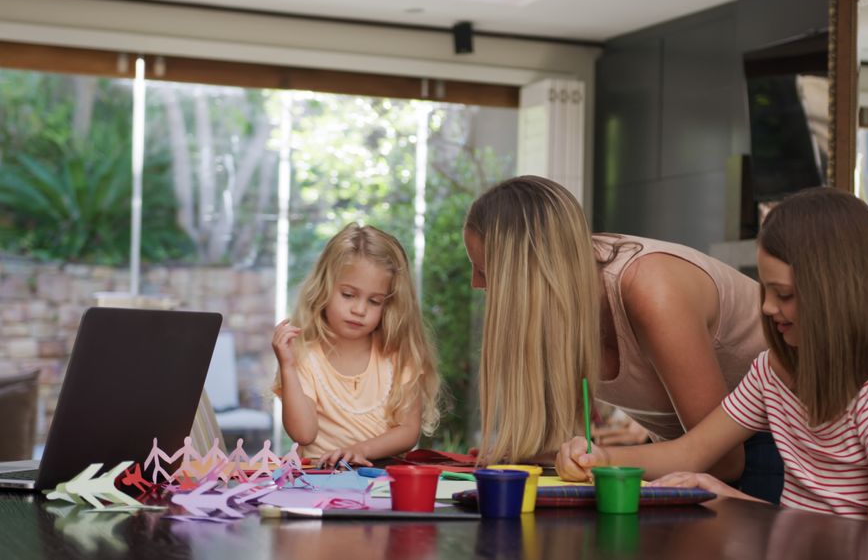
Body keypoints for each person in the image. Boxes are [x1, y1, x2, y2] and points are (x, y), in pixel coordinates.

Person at [556, 187, 868, 532]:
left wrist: (744, 504)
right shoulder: (774, 372)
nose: (766, 307)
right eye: (766, 290)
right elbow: (692, 452)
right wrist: (601, 459)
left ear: (838, 293)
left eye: (783, 294)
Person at [464, 175, 779, 500]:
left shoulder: (651, 289)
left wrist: (601, 459)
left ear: (528, 271)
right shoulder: (554, 314)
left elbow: (724, 462)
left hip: (779, 445)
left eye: (486, 273)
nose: (476, 284)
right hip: (688, 460)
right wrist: (542, 455)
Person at [272, 223, 441, 466]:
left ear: (390, 306)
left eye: (374, 301)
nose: (359, 310)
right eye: (348, 295)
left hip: (380, 483)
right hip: (318, 483)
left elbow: (408, 431)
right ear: (324, 288)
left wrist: (360, 450)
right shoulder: (303, 356)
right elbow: (303, 434)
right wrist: (287, 367)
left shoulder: (399, 355)